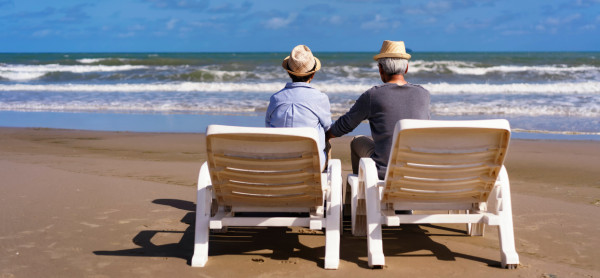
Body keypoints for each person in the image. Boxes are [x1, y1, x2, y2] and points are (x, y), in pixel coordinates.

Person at [326, 40, 430, 179]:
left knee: (358, 141)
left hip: (383, 171)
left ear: (380, 69)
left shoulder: (373, 95)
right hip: (416, 170)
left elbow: (345, 125)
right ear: (406, 69)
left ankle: (358, 196)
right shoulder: (423, 94)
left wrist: (326, 135)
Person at [266, 45, 332, 170]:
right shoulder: (320, 98)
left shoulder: (275, 98)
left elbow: (268, 127)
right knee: (325, 141)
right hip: (310, 166)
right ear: (312, 75)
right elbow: (328, 127)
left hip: (279, 164)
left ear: (289, 72)